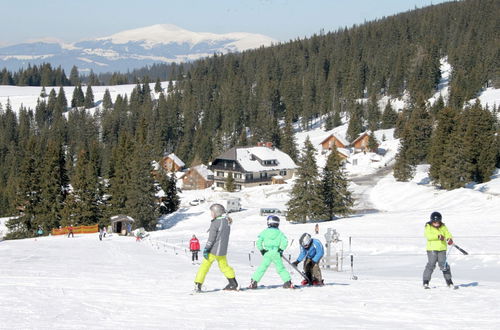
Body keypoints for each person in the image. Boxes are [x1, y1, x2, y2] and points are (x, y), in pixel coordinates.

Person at [194, 204, 238, 292]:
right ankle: (233, 283)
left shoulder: (215, 223)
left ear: (216, 212)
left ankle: (198, 285)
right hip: (222, 251)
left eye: (212, 212)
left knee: (204, 267)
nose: (211, 214)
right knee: (224, 267)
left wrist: (206, 249)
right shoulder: (226, 222)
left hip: (213, 251)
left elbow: (211, 239)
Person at [248, 216, 293, 289]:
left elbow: (259, 242)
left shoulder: (265, 232)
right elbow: (285, 242)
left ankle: (254, 282)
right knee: (281, 268)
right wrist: (281, 250)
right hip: (276, 253)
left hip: (267, 253)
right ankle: (288, 281)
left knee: (262, 268)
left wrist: (262, 250)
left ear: (269, 223)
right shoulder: (280, 233)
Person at [423, 211, 454, 289]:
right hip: (432, 249)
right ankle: (426, 281)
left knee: (443, 265)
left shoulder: (443, 226)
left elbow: (447, 233)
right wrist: (438, 236)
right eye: (434, 222)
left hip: (442, 249)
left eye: (438, 222)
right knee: (431, 264)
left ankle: (449, 281)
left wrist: (449, 239)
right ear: (432, 221)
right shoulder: (428, 226)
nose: (436, 223)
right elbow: (428, 236)